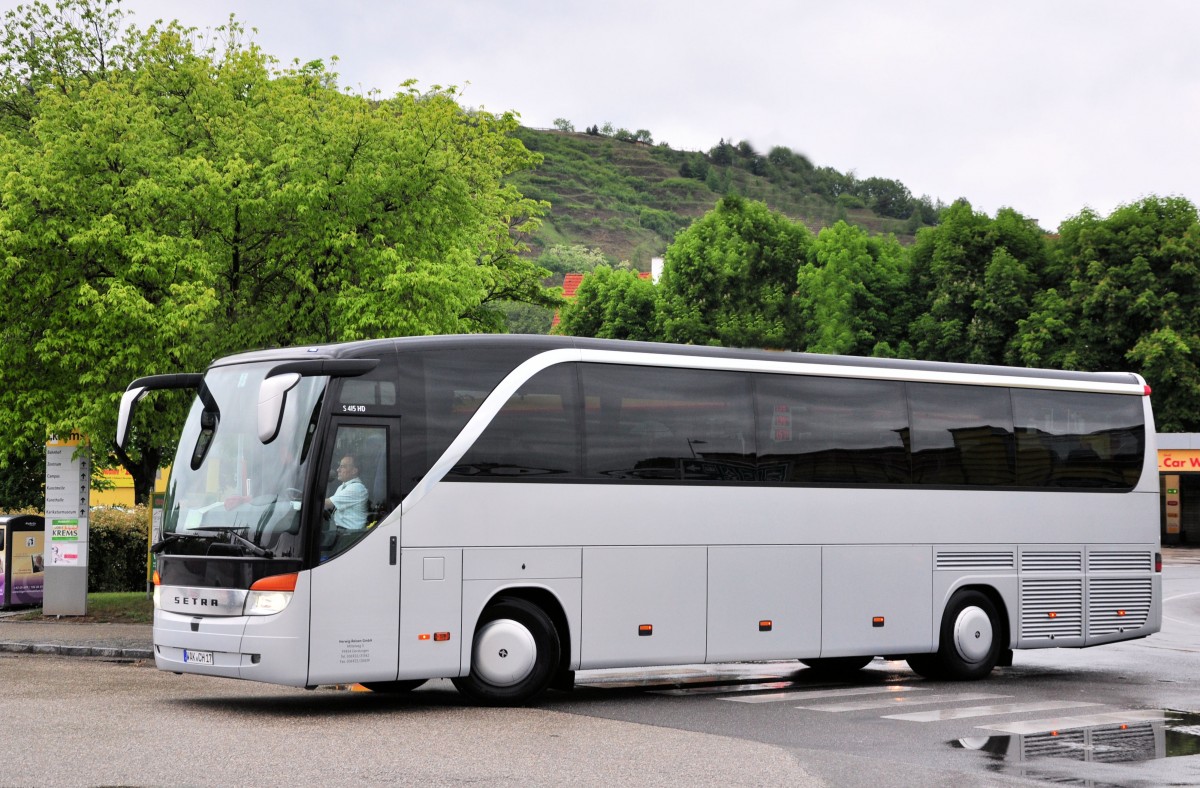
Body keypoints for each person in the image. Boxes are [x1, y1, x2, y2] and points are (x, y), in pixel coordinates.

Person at [324, 455, 368, 530]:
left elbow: (327, 504)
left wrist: (305, 499)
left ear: (354, 471)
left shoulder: (357, 488)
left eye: (343, 466)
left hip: (351, 535)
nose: (338, 470)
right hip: (340, 531)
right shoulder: (342, 487)